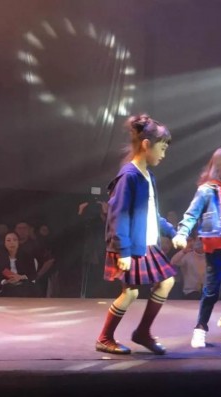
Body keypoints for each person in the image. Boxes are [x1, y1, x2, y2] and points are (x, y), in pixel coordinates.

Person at [95, 114, 177, 356]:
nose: (164, 154)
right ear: (146, 144)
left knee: (165, 282)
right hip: (130, 245)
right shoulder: (129, 175)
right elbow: (117, 214)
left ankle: (142, 332)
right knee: (130, 292)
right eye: (162, 148)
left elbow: (151, 213)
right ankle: (105, 338)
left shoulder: (148, 176)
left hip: (146, 244)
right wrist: (123, 251)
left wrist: (171, 232)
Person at [173, 139, 221, 349]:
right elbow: (191, 214)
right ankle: (200, 328)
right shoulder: (207, 191)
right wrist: (182, 233)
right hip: (215, 252)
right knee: (211, 291)